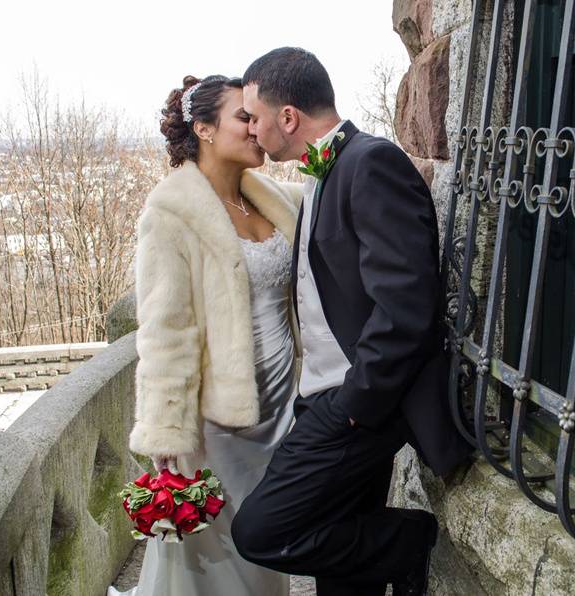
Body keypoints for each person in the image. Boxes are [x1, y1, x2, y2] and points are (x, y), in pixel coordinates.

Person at [231, 47, 472, 596]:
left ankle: (411, 539)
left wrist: (357, 406)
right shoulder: (321, 172)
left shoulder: (370, 162)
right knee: (339, 574)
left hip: (352, 402)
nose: (252, 127)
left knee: (261, 530)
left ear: (287, 117)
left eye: (255, 116)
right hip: (323, 394)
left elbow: (407, 307)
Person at [110, 74, 303, 596]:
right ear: (204, 129)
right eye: (243, 117)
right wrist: (165, 429)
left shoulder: (275, 198)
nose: (256, 126)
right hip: (219, 418)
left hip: (284, 403)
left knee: (268, 549)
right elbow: (165, 331)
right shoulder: (170, 214)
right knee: (224, 553)